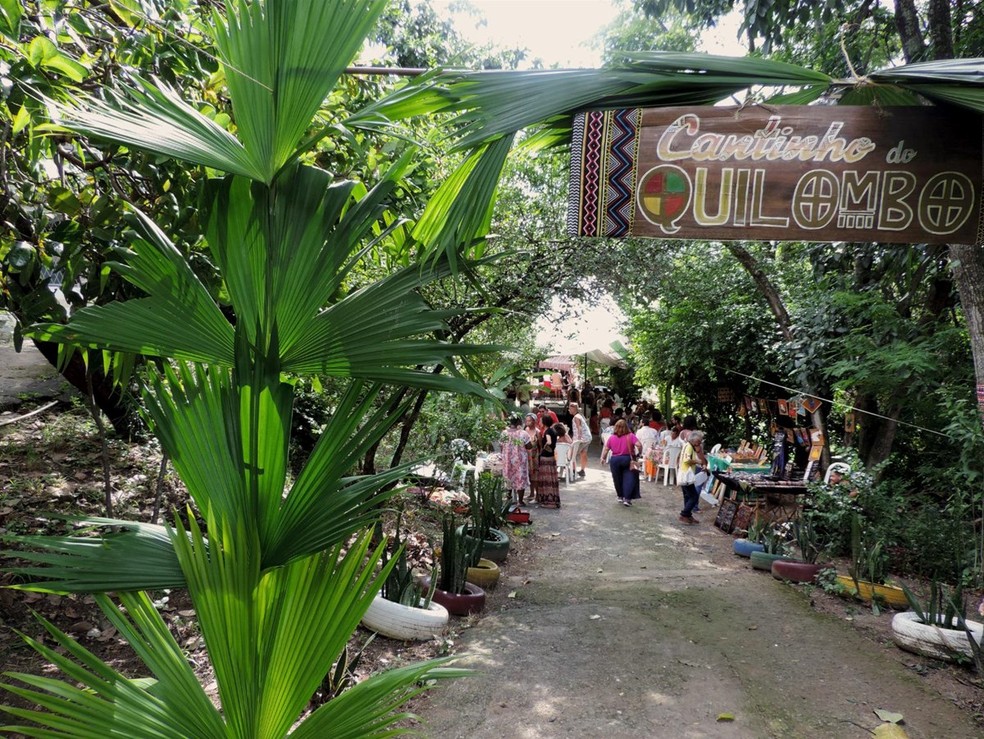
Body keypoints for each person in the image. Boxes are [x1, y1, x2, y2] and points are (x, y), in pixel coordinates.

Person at [600, 419, 641, 507]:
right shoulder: (631, 436)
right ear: (626, 427)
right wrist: (638, 453)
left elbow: (606, 449)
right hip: (627, 459)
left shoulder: (612, 437)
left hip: (614, 460)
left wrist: (603, 458)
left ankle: (620, 496)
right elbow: (639, 445)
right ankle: (627, 499)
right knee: (629, 477)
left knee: (617, 479)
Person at [500, 415, 533, 505]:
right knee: (520, 477)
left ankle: (509, 498)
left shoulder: (504, 433)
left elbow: (501, 446)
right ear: (519, 422)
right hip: (520, 460)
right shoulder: (523, 433)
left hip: (508, 460)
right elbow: (529, 446)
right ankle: (520, 501)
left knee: (508, 476)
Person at [678, 430, 707, 524]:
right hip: (686, 474)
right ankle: (684, 514)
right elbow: (687, 460)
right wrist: (698, 462)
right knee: (694, 496)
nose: (700, 443)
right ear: (694, 440)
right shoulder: (689, 447)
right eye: (699, 441)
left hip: (683, 473)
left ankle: (688, 515)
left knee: (687, 496)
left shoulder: (687, 445)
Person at [533, 418, 561, 508]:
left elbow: (549, 442)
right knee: (551, 478)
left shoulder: (548, 431)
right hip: (551, 457)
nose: (539, 422)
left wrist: (543, 449)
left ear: (544, 423)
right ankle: (553, 500)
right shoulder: (553, 430)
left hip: (546, 457)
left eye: (541, 421)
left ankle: (548, 502)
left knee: (546, 479)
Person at [568, 402, 592, 479]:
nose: (569, 410)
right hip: (587, 438)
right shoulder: (580, 416)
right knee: (583, 453)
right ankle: (582, 470)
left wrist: (578, 438)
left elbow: (579, 427)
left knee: (572, 455)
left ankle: (574, 471)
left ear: (573, 408)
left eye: (570, 408)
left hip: (582, 439)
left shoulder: (576, 417)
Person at [523, 413, 540, 502]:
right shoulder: (526, 430)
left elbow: (540, 445)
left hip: (535, 456)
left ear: (534, 421)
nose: (528, 422)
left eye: (530, 420)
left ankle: (537, 495)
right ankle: (531, 493)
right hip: (527, 456)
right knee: (529, 475)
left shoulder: (537, 432)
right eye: (527, 421)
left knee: (535, 476)